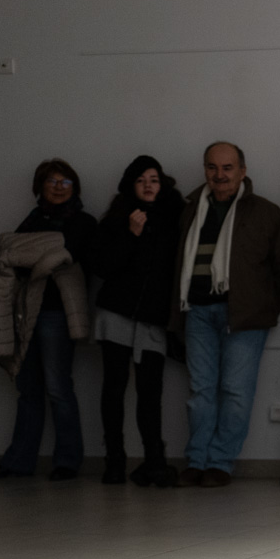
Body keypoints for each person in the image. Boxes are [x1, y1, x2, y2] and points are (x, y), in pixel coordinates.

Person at [170, 142, 280, 487]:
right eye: (212, 167)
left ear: (242, 171)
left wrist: (263, 307)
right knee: (200, 392)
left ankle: (220, 463)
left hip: (246, 318)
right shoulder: (190, 210)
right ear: (205, 170)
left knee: (236, 392)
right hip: (196, 312)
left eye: (227, 167)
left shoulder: (266, 213)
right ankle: (196, 461)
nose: (219, 175)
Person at [0, 159, 95, 481]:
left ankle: (67, 462)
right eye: (52, 181)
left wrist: (25, 252)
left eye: (65, 182)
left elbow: (62, 254)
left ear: (74, 188)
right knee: (28, 390)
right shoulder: (31, 220)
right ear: (40, 187)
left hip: (58, 313)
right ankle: (18, 463)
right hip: (26, 312)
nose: (58, 187)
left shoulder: (83, 222)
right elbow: (2, 256)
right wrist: (36, 251)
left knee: (58, 388)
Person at [93, 155, 186, 486]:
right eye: (141, 180)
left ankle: (154, 462)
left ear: (163, 184)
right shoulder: (116, 218)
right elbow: (103, 267)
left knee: (150, 393)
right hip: (116, 313)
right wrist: (131, 234)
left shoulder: (175, 219)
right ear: (130, 185)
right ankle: (114, 461)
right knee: (114, 388)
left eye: (154, 180)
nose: (148, 185)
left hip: (153, 319)